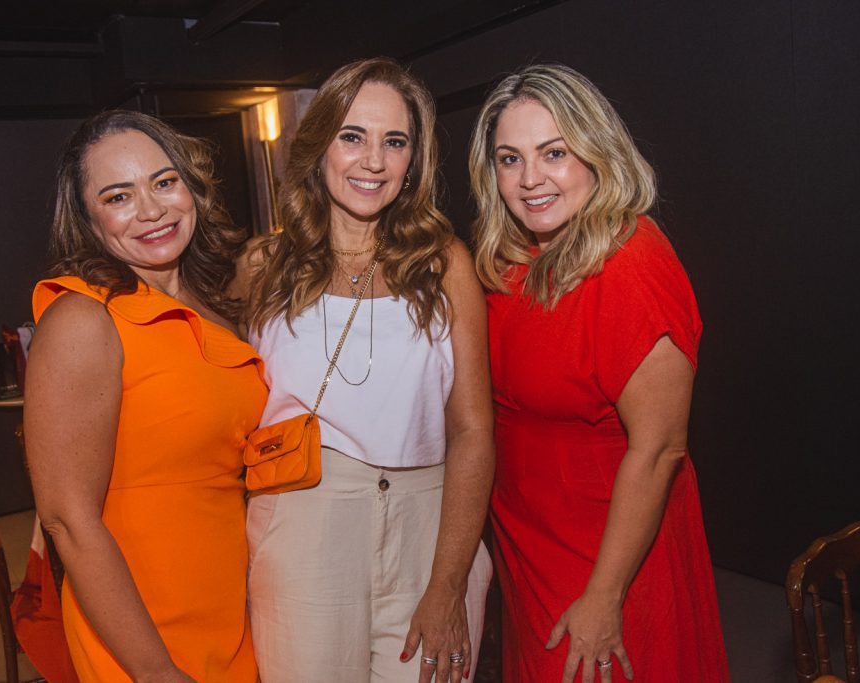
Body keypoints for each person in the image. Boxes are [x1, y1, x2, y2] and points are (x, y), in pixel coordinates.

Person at [469, 64, 729, 682]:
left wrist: (606, 595)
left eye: (553, 153)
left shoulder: (630, 264)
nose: (530, 179)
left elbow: (661, 448)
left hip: (604, 556)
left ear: (597, 151)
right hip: (528, 546)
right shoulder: (510, 259)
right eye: (510, 159)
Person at [237, 57, 494, 683]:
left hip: (430, 528)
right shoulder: (263, 265)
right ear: (320, 144)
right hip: (303, 529)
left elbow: (474, 432)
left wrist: (448, 581)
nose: (373, 161)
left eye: (394, 142)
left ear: (413, 162)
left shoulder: (445, 264)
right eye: (352, 136)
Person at [23, 110, 265, 683]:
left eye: (164, 182)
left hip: (230, 603)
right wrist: (155, 670)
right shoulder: (83, 319)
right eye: (118, 196)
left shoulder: (216, 302)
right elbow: (67, 520)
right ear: (86, 218)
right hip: (142, 625)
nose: (152, 210)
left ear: (191, 186)